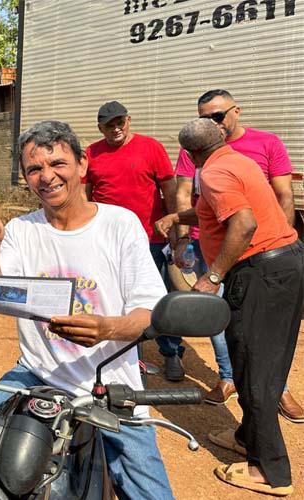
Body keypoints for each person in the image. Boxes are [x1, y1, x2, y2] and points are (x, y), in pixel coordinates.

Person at [0, 120, 173, 500]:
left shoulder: (120, 225)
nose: (47, 176)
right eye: (34, 168)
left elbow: (151, 314)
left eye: (57, 163)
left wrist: (106, 329)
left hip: (111, 387)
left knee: (152, 492)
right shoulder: (20, 230)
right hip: (35, 373)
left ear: (82, 164)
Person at [156, 118, 302, 497]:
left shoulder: (214, 173)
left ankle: (270, 471)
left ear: (190, 154)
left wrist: (213, 275)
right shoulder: (237, 161)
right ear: (220, 137)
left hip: (260, 274)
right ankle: (246, 438)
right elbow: (216, 210)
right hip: (283, 266)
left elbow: (244, 223)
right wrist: (178, 216)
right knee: (256, 361)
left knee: (254, 370)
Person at [166, 89, 303, 421]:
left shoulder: (265, 144)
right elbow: (186, 195)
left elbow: (282, 196)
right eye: (204, 118)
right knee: (222, 322)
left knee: (261, 335)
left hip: (256, 256)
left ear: (236, 111)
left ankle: (276, 390)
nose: (211, 123)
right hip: (211, 246)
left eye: (217, 115)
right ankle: (228, 378)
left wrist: (275, 247)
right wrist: (180, 232)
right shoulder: (197, 149)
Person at [82, 101, 181, 381]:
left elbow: (169, 190)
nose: (116, 129)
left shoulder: (151, 147)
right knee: (113, 297)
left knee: (159, 298)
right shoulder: (92, 153)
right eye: (109, 125)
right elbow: (85, 194)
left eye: (119, 122)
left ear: (128, 120)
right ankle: (129, 358)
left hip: (149, 238)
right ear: (100, 128)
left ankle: (171, 352)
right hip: (106, 240)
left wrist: (174, 227)